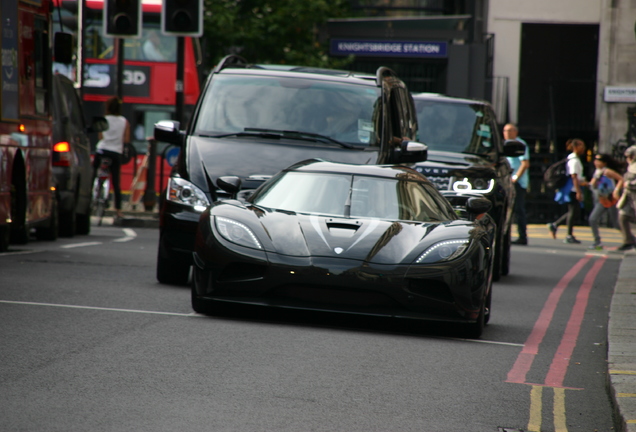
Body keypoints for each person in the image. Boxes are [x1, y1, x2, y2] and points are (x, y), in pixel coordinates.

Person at [93, 97, 130, 219]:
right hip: (115, 153)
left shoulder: (104, 120)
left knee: (92, 174)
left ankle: (89, 199)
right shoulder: (124, 122)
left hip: (102, 150)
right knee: (116, 182)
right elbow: (126, 140)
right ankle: (118, 210)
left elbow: (100, 137)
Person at [547, 138, 589, 243]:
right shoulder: (574, 161)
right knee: (573, 211)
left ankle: (555, 225)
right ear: (575, 147)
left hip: (574, 188)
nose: (583, 148)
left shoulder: (574, 159)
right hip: (572, 189)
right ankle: (568, 235)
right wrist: (579, 191)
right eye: (581, 146)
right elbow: (574, 177)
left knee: (574, 211)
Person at [587, 154, 623, 249]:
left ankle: (631, 240)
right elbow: (593, 185)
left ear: (604, 163)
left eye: (598, 160)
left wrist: (616, 190)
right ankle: (597, 241)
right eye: (595, 160)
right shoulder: (597, 172)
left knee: (616, 223)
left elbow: (621, 179)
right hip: (601, 200)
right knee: (593, 219)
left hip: (610, 199)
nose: (595, 162)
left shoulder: (607, 171)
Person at [503, 123, 530, 245]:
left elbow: (525, 164)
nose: (507, 133)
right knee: (507, 210)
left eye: (510, 131)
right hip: (506, 181)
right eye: (505, 131)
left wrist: (515, 178)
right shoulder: (505, 144)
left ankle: (522, 236)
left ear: (516, 132)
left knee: (519, 209)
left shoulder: (520, 144)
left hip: (517, 182)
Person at [615, 145, 636, 251]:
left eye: (630, 156)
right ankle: (628, 240)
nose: (629, 158)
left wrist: (630, 184)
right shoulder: (631, 166)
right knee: (622, 216)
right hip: (628, 196)